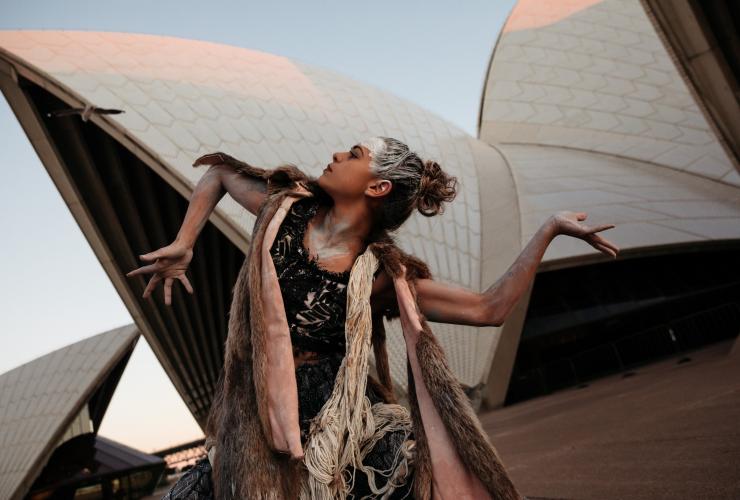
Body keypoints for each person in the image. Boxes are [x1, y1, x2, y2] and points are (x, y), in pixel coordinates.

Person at [127, 136, 619, 499]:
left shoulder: (381, 276)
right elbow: (217, 174)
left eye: (355, 154)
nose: (338, 155)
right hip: (252, 415)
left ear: (378, 186)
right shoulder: (284, 211)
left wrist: (547, 231)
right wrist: (185, 243)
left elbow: (488, 308)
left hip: (339, 430)